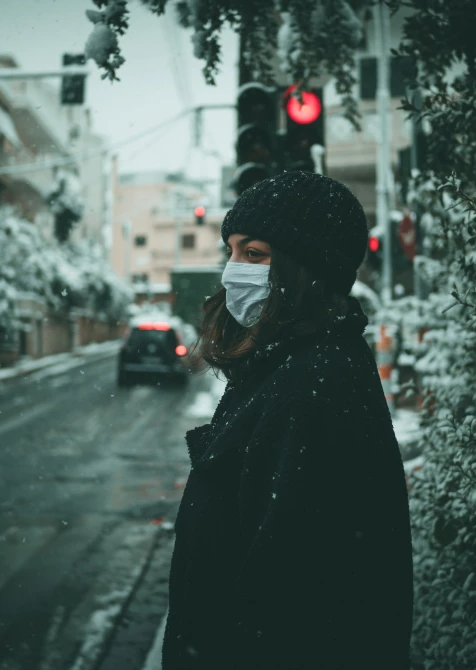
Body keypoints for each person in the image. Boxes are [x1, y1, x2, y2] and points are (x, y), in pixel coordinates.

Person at [162, 171, 413, 670]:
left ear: (307, 268)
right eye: (231, 251)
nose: (234, 270)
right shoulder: (286, 366)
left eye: (255, 254)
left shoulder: (313, 383)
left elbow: (298, 603)